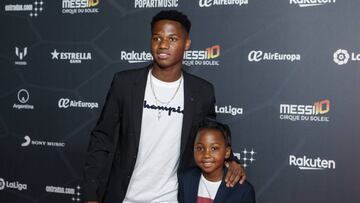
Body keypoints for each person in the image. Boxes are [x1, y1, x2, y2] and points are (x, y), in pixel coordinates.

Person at [82, 10, 245, 203]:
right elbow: (102, 139)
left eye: (172, 38)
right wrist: (90, 195)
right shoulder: (125, 83)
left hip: (171, 198)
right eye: (157, 38)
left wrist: (231, 161)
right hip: (123, 196)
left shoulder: (202, 91)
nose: (163, 45)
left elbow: (211, 134)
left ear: (187, 44)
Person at [179, 119, 255, 203]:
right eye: (200, 148)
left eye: (214, 148)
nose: (206, 155)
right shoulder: (186, 179)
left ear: (227, 152)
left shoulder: (243, 190)